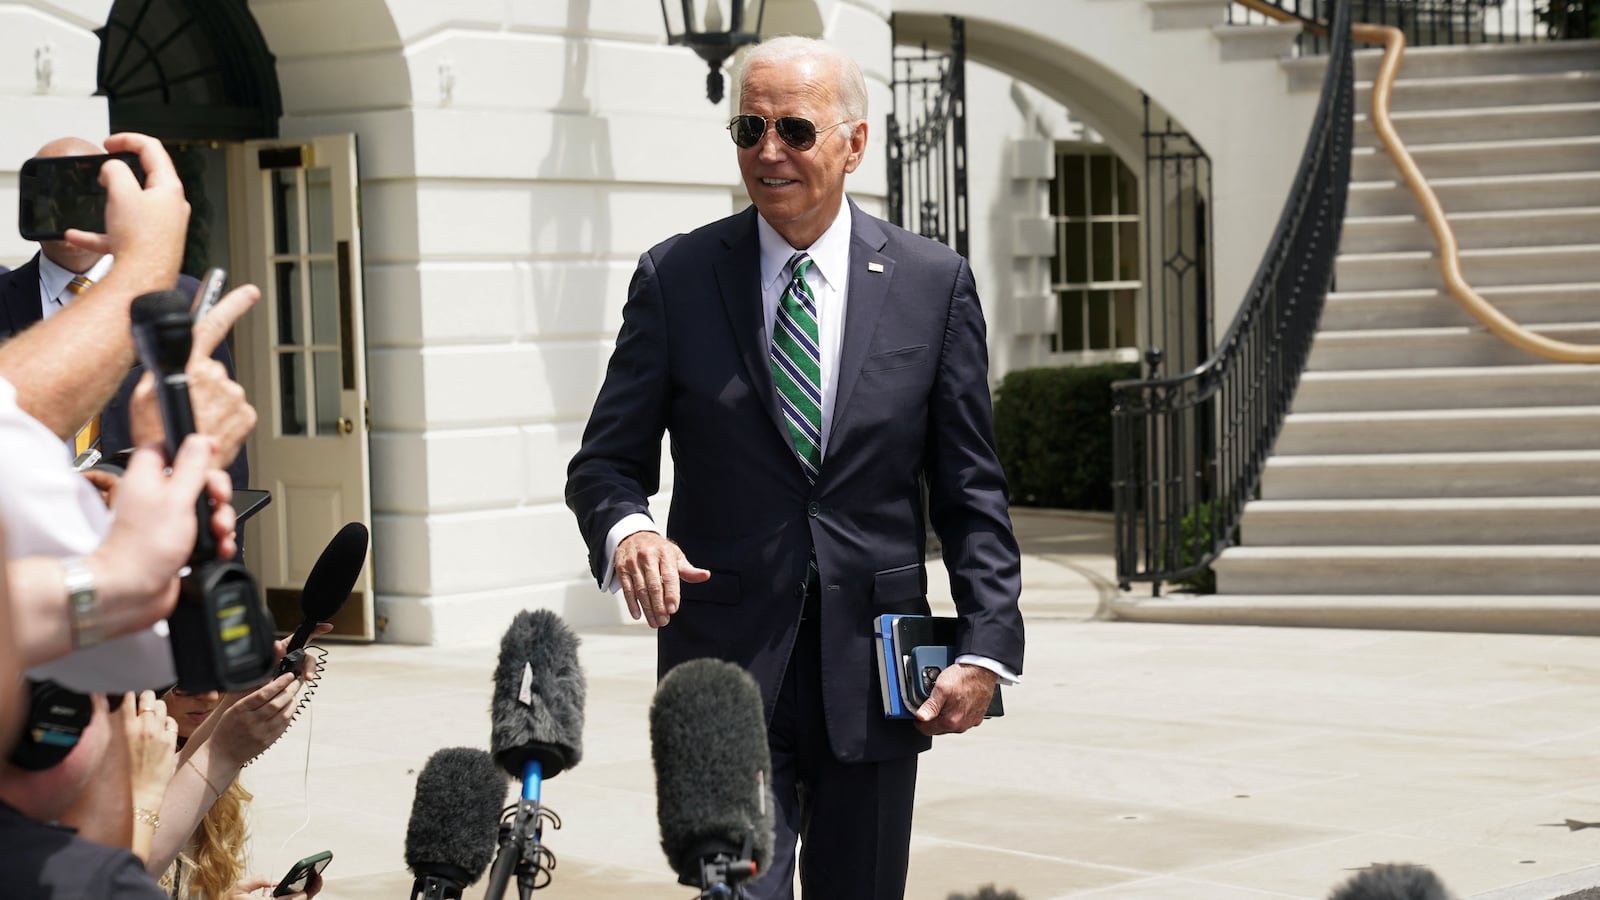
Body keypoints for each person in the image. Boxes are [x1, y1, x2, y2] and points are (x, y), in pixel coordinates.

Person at [565, 36, 1024, 900]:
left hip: (880, 671)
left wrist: (988, 644)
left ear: (853, 143)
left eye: (794, 130)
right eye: (749, 128)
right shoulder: (678, 276)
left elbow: (970, 489)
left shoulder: (934, 283)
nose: (768, 151)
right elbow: (604, 465)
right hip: (724, 671)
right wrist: (629, 532)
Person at [0, 135, 248, 491]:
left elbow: (222, 442)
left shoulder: (181, 299)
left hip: (147, 520)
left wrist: (223, 543)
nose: (68, 205)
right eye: (53, 191)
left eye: (84, 189)